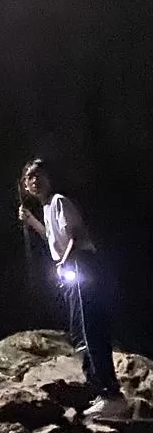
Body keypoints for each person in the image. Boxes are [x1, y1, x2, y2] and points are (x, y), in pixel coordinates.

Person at [18, 159, 126, 419]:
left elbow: (74, 236)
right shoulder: (46, 209)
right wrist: (31, 220)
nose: (34, 181)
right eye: (29, 178)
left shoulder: (59, 201)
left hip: (81, 264)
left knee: (89, 331)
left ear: (48, 178)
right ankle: (101, 392)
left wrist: (63, 264)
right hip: (71, 268)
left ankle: (111, 394)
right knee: (79, 333)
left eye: (38, 175)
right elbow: (53, 238)